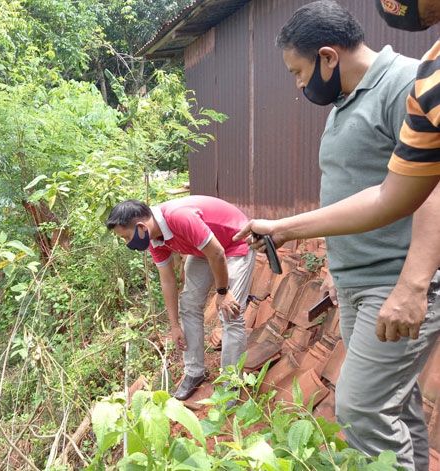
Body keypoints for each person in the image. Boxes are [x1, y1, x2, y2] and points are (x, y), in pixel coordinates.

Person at [235, 2, 440, 469]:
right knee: (396, 404)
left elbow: (432, 185)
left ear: (328, 56)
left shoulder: (406, 83)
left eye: (297, 71)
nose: (298, 84)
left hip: (394, 282)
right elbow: (358, 191)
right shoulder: (346, 100)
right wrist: (333, 264)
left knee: (361, 408)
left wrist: (413, 285)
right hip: (357, 284)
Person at [106, 196, 255, 401]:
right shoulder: (155, 238)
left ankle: (230, 385)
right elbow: (167, 281)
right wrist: (175, 325)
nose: (126, 243)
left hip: (234, 242)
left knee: (231, 313)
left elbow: (218, 252)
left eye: (125, 237)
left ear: (141, 226)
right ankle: (194, 372)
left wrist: (223, 292)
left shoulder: (179, 217)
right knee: (189, 304)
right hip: (204, 250)